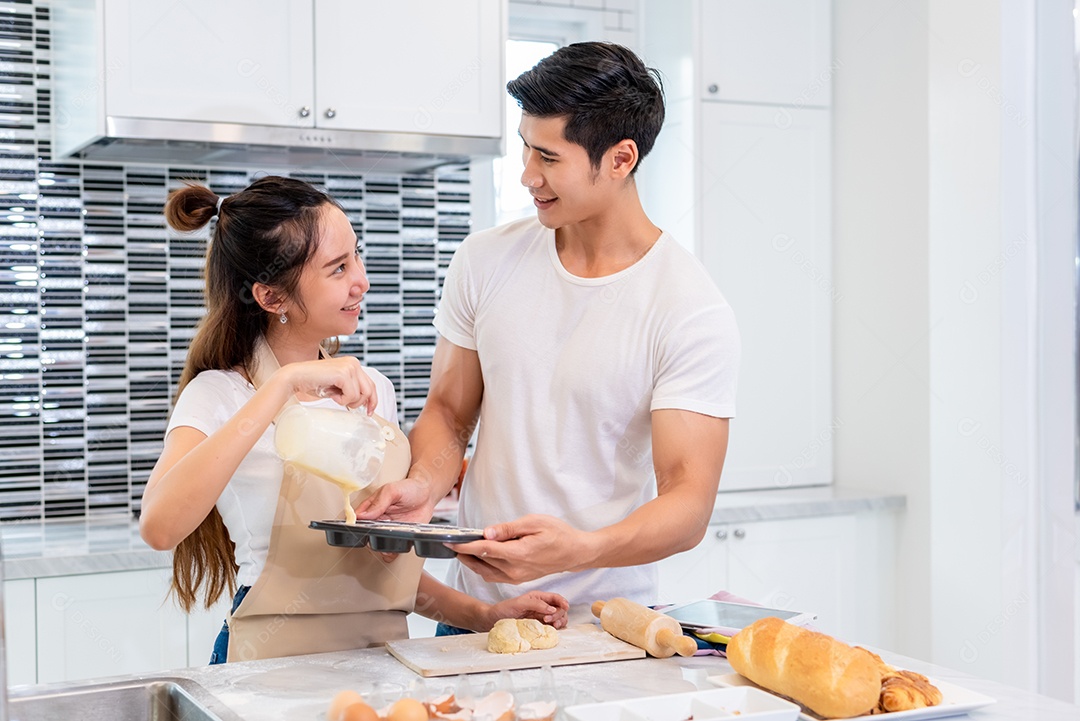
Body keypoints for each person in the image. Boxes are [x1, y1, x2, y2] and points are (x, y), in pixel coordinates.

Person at [357, 42, 740, 630]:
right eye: (524, 148)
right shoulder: (485, 259)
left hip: (605, 621)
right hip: (474, 612)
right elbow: (450, 411)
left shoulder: (687, 307)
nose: (527, 175)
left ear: (620, 158)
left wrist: (579, 548)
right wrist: (423, 486)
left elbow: (688, 505)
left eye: (548, 157)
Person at [139, 176, 567, 664]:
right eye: (338, 268)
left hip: (385, 669)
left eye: (356, 256)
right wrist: (283, 385)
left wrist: (486, 615)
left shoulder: (370, 392)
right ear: (271, 298)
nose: (361, 280)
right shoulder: (219, 395)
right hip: (266, 674)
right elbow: (160, 526)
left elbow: (379, 574)